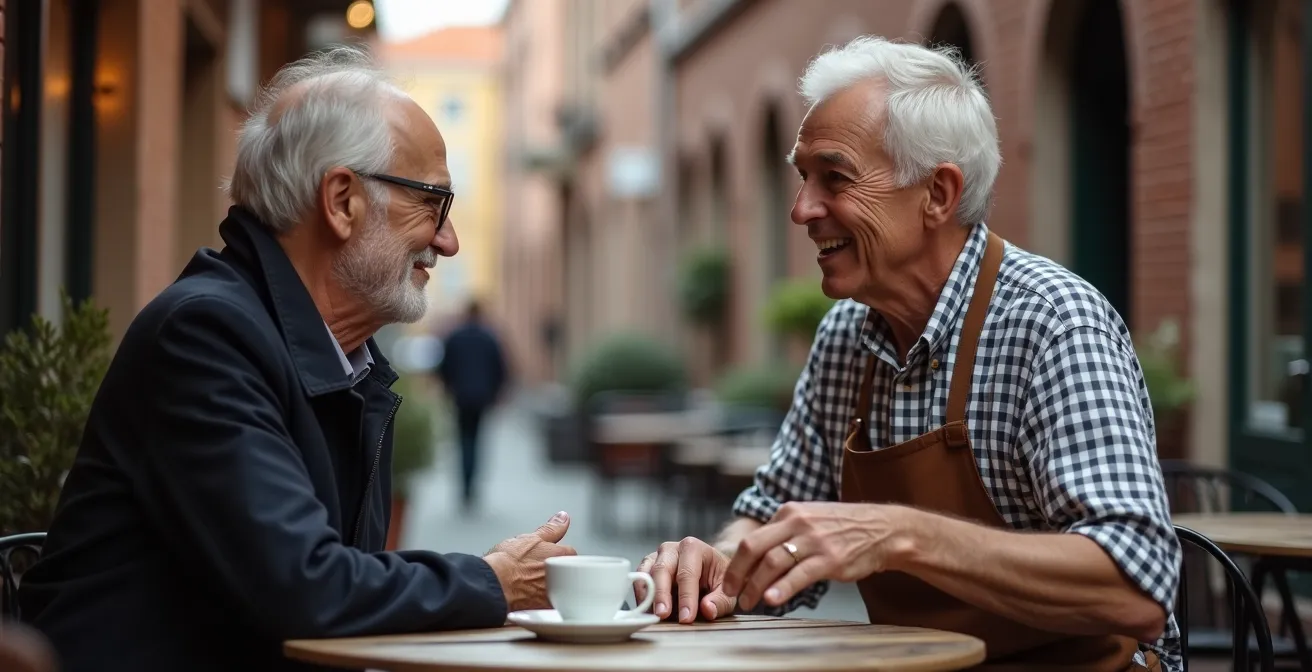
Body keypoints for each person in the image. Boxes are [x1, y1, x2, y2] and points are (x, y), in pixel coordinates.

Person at [18, 46, 575, 672]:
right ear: (341, 200)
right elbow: (306, 589)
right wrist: (492, 583)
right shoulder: (205, 334)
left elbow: (334, 594)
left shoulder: (345, 359)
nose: (447, 240)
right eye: (433, 203)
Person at [637, 36, 1181, 671]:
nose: (801, 209)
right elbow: (772, 516)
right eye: (802, 177)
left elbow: (1137, 587)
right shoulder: (847, 336)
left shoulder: (1053, 322)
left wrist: (901, 535)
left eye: (834, 178)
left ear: (938, 195)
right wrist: (722, 563)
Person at [435, 299, 509, 511]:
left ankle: (465, 486)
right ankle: (472, 485)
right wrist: (496, 393)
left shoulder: (455, 337)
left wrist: (448, 388)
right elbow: (501, 369)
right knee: (477, 441)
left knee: (463, 441)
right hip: (482, 398)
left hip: (460, 397)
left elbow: (443, 367)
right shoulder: (489, 337)